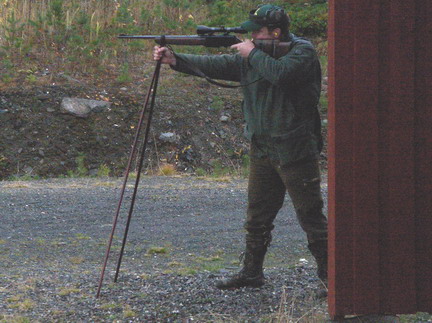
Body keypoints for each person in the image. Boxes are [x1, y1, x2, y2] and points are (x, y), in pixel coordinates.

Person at [153, 4, 328, 292]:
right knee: (257, 217)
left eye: (257, 32)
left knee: (310, 215)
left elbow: (281, 74)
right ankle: (251, 273)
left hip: (295, 147)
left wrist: (252, 52)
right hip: (263, 146)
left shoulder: (302, 52)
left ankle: (330, 277)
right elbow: (218, 64)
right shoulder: (255, 56)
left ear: (276, 32)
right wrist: (175, 59)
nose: (252, 37)